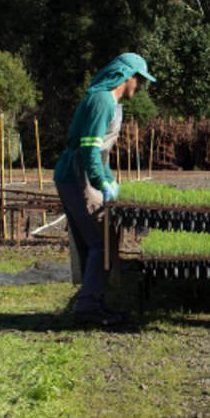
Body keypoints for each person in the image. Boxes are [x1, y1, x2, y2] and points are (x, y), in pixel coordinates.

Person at [54, 53, 155, 326]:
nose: (140, 87)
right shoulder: (101, 101)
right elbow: (88, 149)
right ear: (127, 77)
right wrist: (101, 182)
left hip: (80, 173)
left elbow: (101, 153)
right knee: (101, 242)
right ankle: (87, 306)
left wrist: (108, 177)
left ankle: (94, 301)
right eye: (139, 81)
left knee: (97, 242)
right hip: (77, 176)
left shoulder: (110, 102)